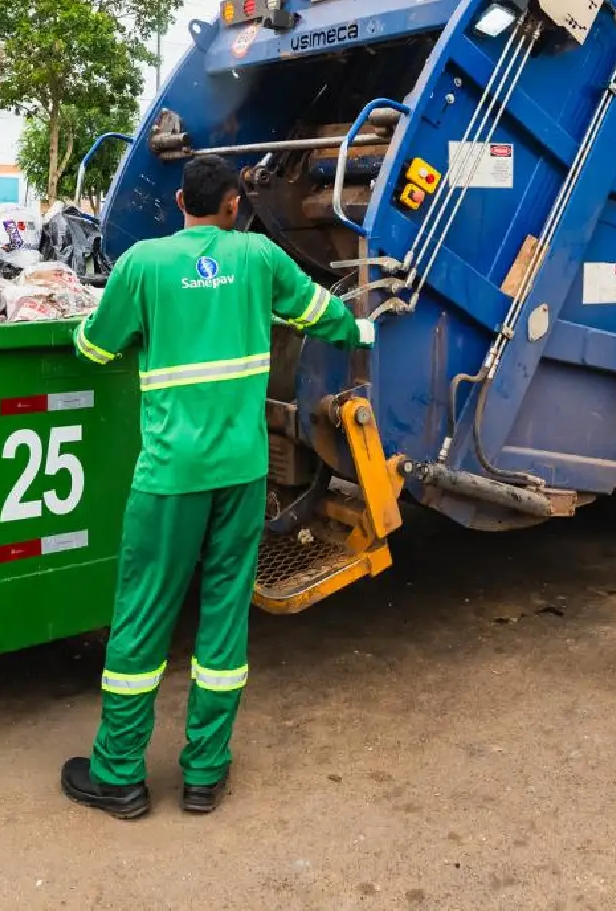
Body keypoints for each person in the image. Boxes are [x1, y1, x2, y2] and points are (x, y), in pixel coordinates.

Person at [62, 154, 375, 819]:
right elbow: (332, 318)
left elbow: (93, 346)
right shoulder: (259, 260)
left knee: (145, 616)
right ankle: (205, 773)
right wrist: (370, 327)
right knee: (225, 617)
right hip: (241, 471)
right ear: (235, 205)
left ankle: (119, 772)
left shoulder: (143, 264)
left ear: (180, 200)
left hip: (172, 476)